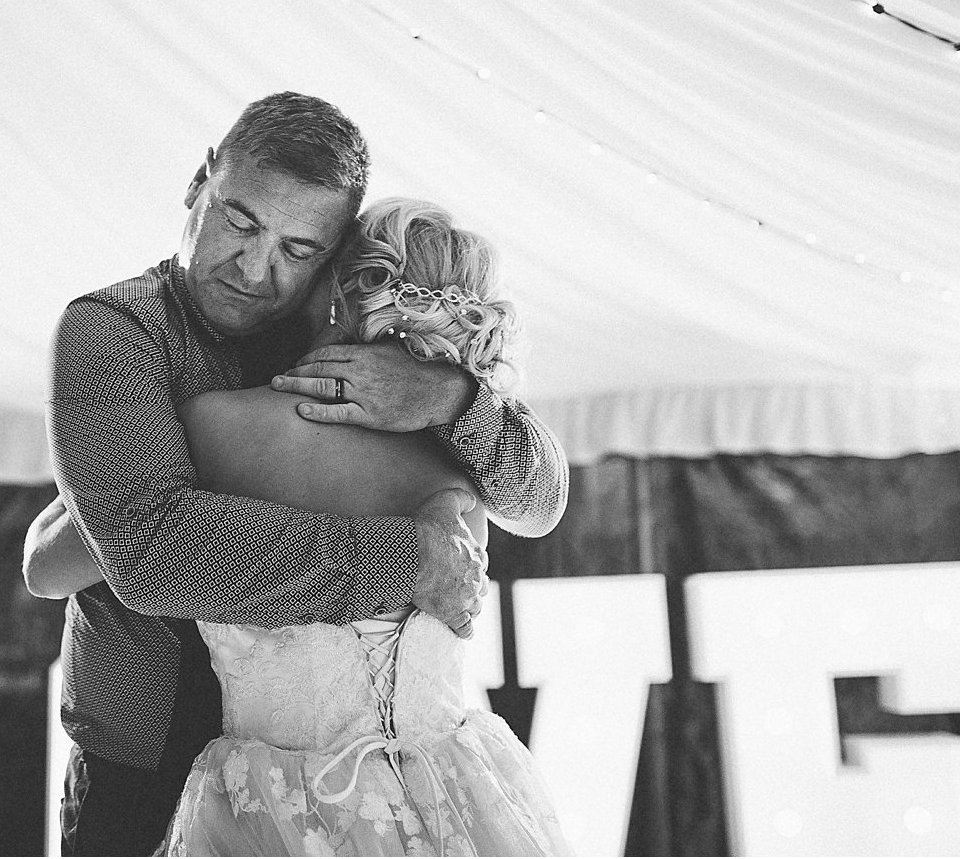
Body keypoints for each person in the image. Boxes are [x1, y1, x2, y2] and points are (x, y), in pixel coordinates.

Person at [32, 92, 565, 856]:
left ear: (335, 261)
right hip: (142, 759)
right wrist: (408, 557)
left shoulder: (349, 342)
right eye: (239, 222)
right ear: (200, 183)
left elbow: (541, 497)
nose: (256, 267)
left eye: (298, 249)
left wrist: (453, 397)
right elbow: (147, 554)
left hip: (347, 771)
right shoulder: (112, 330)